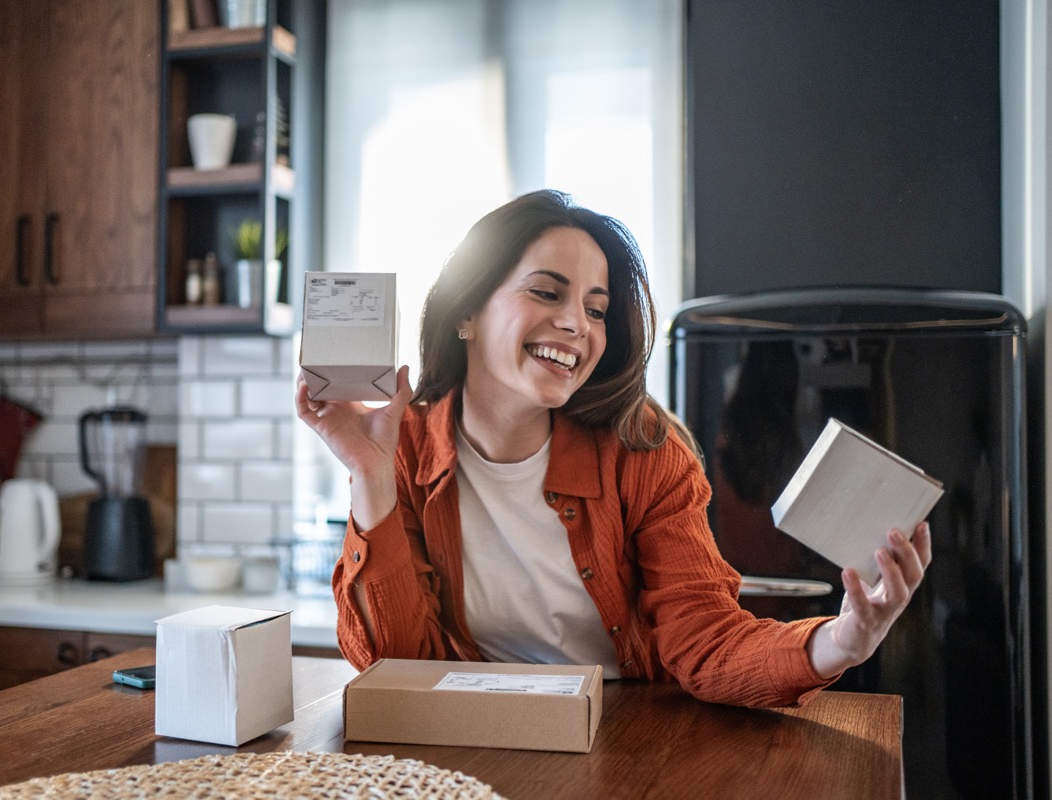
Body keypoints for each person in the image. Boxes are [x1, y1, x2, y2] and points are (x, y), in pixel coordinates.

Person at [296, 189, 931, 708]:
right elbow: (398, 668)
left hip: (633, 745)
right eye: (547, 292)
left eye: (596, 310)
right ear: (466, 313)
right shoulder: (402, 446)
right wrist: (370, 477)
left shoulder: (645, 450)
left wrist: (841, 641)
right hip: (480, 748)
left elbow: (706, 638)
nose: (577, 324)